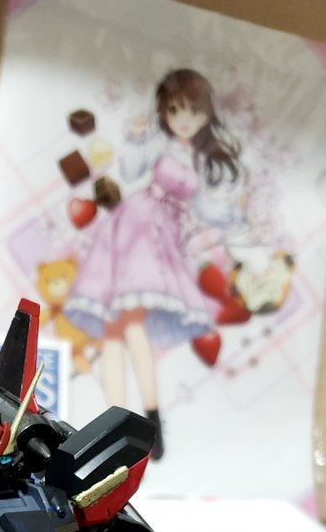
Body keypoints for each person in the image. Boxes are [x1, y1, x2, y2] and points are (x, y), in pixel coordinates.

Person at [66, 68, 244, 459]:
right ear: (164, 110)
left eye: (192, 110)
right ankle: (117, 426)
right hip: (134, 225)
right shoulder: (159, 142)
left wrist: (235, 217)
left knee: (129, 322)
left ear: (206, 112)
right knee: (113, 329)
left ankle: (149, 419)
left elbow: (208, 208)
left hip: (162, 238)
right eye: (174, 109)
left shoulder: (204, 158)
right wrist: (137, 137)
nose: (183, 119)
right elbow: (131, 169)